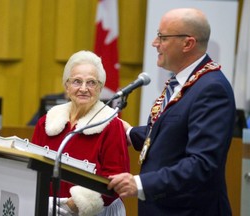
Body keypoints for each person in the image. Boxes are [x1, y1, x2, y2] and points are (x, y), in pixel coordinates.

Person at [108, 8, 236, 216]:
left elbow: (202, 164)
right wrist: (129, 133)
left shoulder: (212, 89)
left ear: (188, 43)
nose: (154, 43)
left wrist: (139, 183)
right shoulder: (184, 81)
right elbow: (170, 135)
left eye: (162, 37)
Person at [31, 50, 130, 216]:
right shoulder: (47, 122)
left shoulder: (111, 124)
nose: (83, 89)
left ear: (100, 88)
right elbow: (33, 166)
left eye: (91, 82)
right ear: (67, 87)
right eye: (77, 81)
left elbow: (116, 180)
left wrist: (73, 204)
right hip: (49, 208)